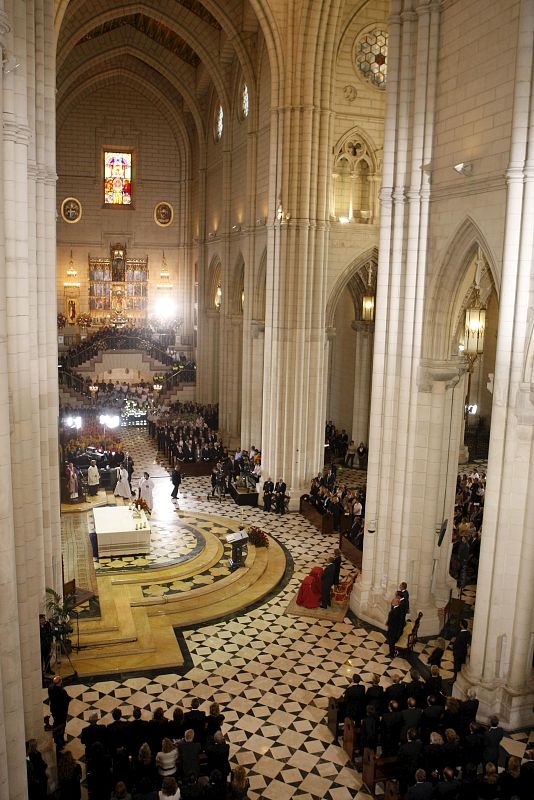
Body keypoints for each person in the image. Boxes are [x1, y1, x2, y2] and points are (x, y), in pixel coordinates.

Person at [48, 675, 70, 749]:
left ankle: (60, 740)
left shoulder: (50, 688)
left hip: (54, 710)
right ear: (60, 682)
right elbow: (66, 700)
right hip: (61, 712)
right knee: (61, 725)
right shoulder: (62, 691)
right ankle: (60, 742)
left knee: (56, 724)